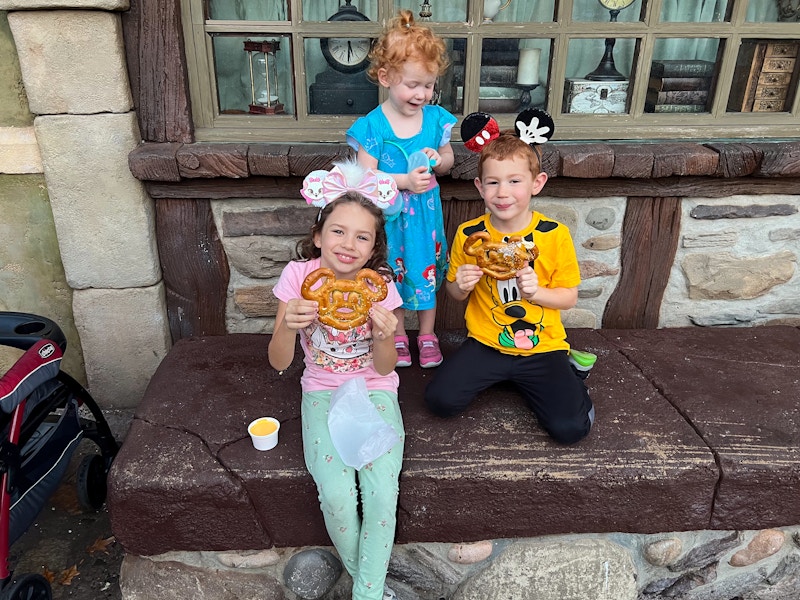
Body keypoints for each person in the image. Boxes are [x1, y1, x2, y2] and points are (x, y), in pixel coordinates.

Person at [269, 162, 405, 600]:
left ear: (373, 250)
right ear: (317, 236)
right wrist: (286, 325)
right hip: (322, 392)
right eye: (338, 232)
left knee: (382, 490)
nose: (348, 244)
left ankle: (365, 594)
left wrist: (386, 337)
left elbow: (385, 369)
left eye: (362, 237)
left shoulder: (381, 288)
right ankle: (373, 590)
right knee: (337, 494)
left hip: (374, 391)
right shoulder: (298, 279)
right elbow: (278, 362)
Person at [424, 109, 595, 445]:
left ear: (537, 183)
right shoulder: (469, 233)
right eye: (493, 182)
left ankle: (571, 374)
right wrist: (461, 284)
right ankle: (504, 375)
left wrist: (538, 293)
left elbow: (569, 297)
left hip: (543, 346)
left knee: (570, 429)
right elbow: (454, 293)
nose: (503, 193)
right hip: (487, 343)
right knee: (439, 402)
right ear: (480, 186)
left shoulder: (553, 234)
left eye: (515, 181)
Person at [346, 9, 457, 369]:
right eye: (413, 85)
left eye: (428, 85)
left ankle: (426, 335)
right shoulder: (373, 126)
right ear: (386, 77)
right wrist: (406, 182)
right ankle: (395, 335)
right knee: (388, 274)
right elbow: (365, 175)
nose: (422, 94)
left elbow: (448, 157)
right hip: (388, 218)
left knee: (424, 271)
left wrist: (439, 161)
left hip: (425, 217)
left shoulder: (436, 119)